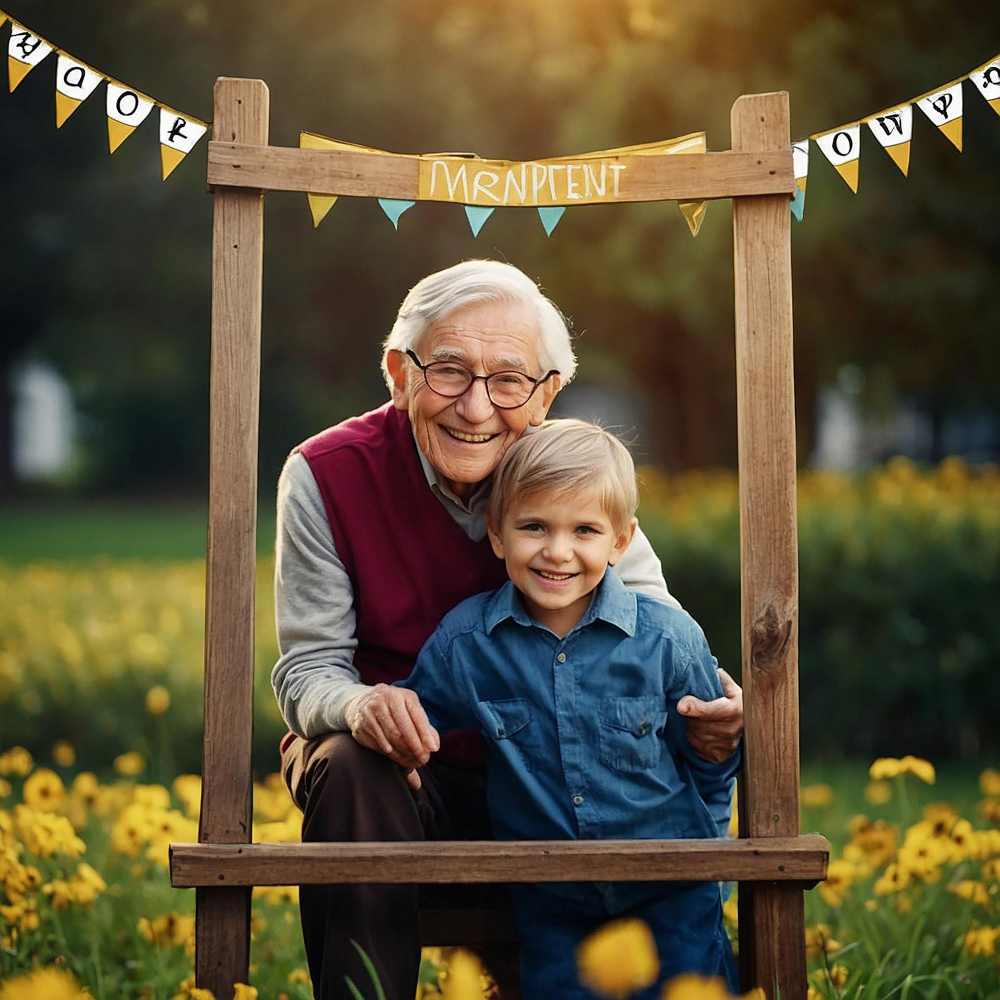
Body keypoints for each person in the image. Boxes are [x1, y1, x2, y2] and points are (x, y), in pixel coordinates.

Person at [272, 259, 743, 1000]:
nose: (477, 406)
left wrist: (713, 710)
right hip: (407, 775)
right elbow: (306, 671)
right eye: (449, 370)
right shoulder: (325, 474)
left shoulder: (565, 479)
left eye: (510, 380)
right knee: (352, 765)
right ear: (399, 371)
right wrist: (363, 706)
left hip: (549, 775)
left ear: (547, 393)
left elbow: (655, 624)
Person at [397, 419, 739, 998]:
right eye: (534, 526)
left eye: (585, 529)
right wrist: (399, 749)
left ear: (620, 541)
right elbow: (415, 724)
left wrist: (711, 864)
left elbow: (709, 758)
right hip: (552, 900)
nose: (558, 551)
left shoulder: (668, 640)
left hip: (671, 890)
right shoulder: (466, 644)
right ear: (497, 534)